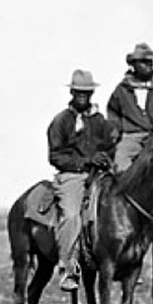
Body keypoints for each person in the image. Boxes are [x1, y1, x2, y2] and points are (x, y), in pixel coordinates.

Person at [48, 70, 118, 291]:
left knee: (120, 206)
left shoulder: (99, 120)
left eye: (86, 92)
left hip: (99, 173)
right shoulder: (61, 121)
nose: (82, 96)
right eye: (79, 92)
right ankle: (68, 268)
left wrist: (106, 157)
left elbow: (109, 145)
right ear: (72, 92)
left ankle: (124, 262)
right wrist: (86, 161)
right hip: (73, 175)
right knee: (70, 214)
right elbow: (55, 155)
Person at [106, 42, 153, 173]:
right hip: (132, 136)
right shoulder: (122, 90)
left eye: (150, 61)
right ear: (134, 65)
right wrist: (116, 128)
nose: (148, 65)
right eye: (143, 62)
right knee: (120, 164)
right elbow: (113, 111)